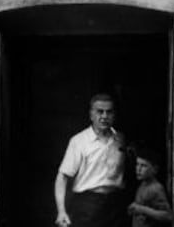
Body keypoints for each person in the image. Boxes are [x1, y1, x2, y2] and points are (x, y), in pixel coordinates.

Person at [54, 93, 127, 227]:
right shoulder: (79, 141)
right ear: (91, 115)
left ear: (114, 115)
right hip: (87, 205)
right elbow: (62, 177)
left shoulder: (120, 140)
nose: (104, 116)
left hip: (116, 205)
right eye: (100, 112)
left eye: (109, 112)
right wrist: (61, 211)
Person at [128, 148, 172, 227]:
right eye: (137, 164)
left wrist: (142, 209)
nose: (138, 169)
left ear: (155, 169)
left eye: (144, 166)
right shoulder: (142, 185)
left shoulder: (156, 188)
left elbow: (167, 216)